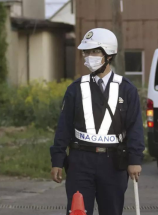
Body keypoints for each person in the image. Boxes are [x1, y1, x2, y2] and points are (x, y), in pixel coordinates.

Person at [50, 28, 145, 215]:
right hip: (80, 160)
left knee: (111, 210)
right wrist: (57, 160)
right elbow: (64, 127)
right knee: (78, 211)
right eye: (86, 52)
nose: (88, 57)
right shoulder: (75, 89)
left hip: (113, 162)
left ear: (108, 55)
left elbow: (134, 127)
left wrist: (135, 159)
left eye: (94, 52)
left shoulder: (127, 89)